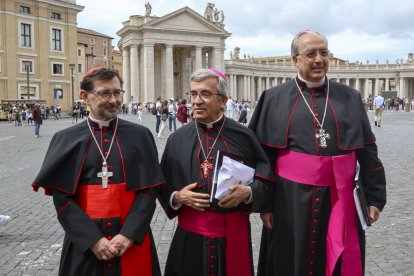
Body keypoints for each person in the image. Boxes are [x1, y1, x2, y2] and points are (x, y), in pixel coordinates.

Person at [249, 30, 386, 276]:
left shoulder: (350, 97)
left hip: (341, 198)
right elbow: (262, 156)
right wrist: (265, 204)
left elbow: (367, 150)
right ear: (295, 60)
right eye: (311, 53)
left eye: (324, 52)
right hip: (289, 201)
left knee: (339, 261)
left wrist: (375, 198)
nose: (319, 59)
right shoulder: (273, 98)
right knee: (289, 261)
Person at [32, 67, 165, 276]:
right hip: (85, 244)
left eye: (117, 92)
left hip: (132, 240)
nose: (113, 100)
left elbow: (149, 191)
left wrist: (129, 234)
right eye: (104, 93)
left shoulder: (140, 135)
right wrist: (93, 240)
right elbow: (62, 197)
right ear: (84, 96)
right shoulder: (66, 138)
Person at [157, 68, 274, 276]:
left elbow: (266, 178)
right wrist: (177, 196)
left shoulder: (244, 136)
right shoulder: (177, 139)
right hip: (189, 237)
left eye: (205, 94)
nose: (197, 101)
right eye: (193, 94)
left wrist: (249, 193)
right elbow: (162, 186)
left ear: (223, 100)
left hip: (232, 235)